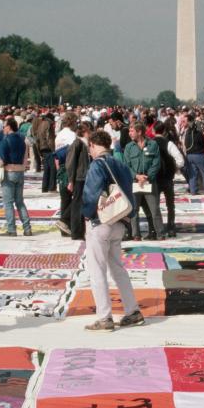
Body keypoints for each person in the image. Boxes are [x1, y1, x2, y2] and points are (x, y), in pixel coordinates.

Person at [81, 130, 143, 331]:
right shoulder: (121, 165)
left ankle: (104, 317)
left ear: (92, 145)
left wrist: (87, 214)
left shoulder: (97, 164)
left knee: (97, 270)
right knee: (118, 268)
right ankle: (132, 311)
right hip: (119, 220)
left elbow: (91, 195)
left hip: (101, 222)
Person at [125, 122, 164, 241]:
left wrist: (147, 177)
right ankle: (136, 234)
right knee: (134, 210)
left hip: (149, 182)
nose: (129, 133)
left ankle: (160, 233)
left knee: (155, 209)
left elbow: (156, 163)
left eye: (132, 131)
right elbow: (126, 165)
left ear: (139, 132)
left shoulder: (153, 144)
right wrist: (137, 176)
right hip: (135, 182)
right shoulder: (129, 147)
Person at [0, 116, 32, 237]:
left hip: (9, 171)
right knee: (20, 201)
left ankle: (11, 229)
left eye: (4, 126)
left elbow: (1, 159)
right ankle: (27, 228)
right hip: (20, 172)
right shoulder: (21, 140)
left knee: (8, 202)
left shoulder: (6, 140)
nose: (3, 129)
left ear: (9, 127)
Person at [182, 115, 204, 194]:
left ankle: (193, 190)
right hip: (199, 155)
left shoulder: (186, 134)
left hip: (189, 156)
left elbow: (185, 144)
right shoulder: (199, 134)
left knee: (192, 174)